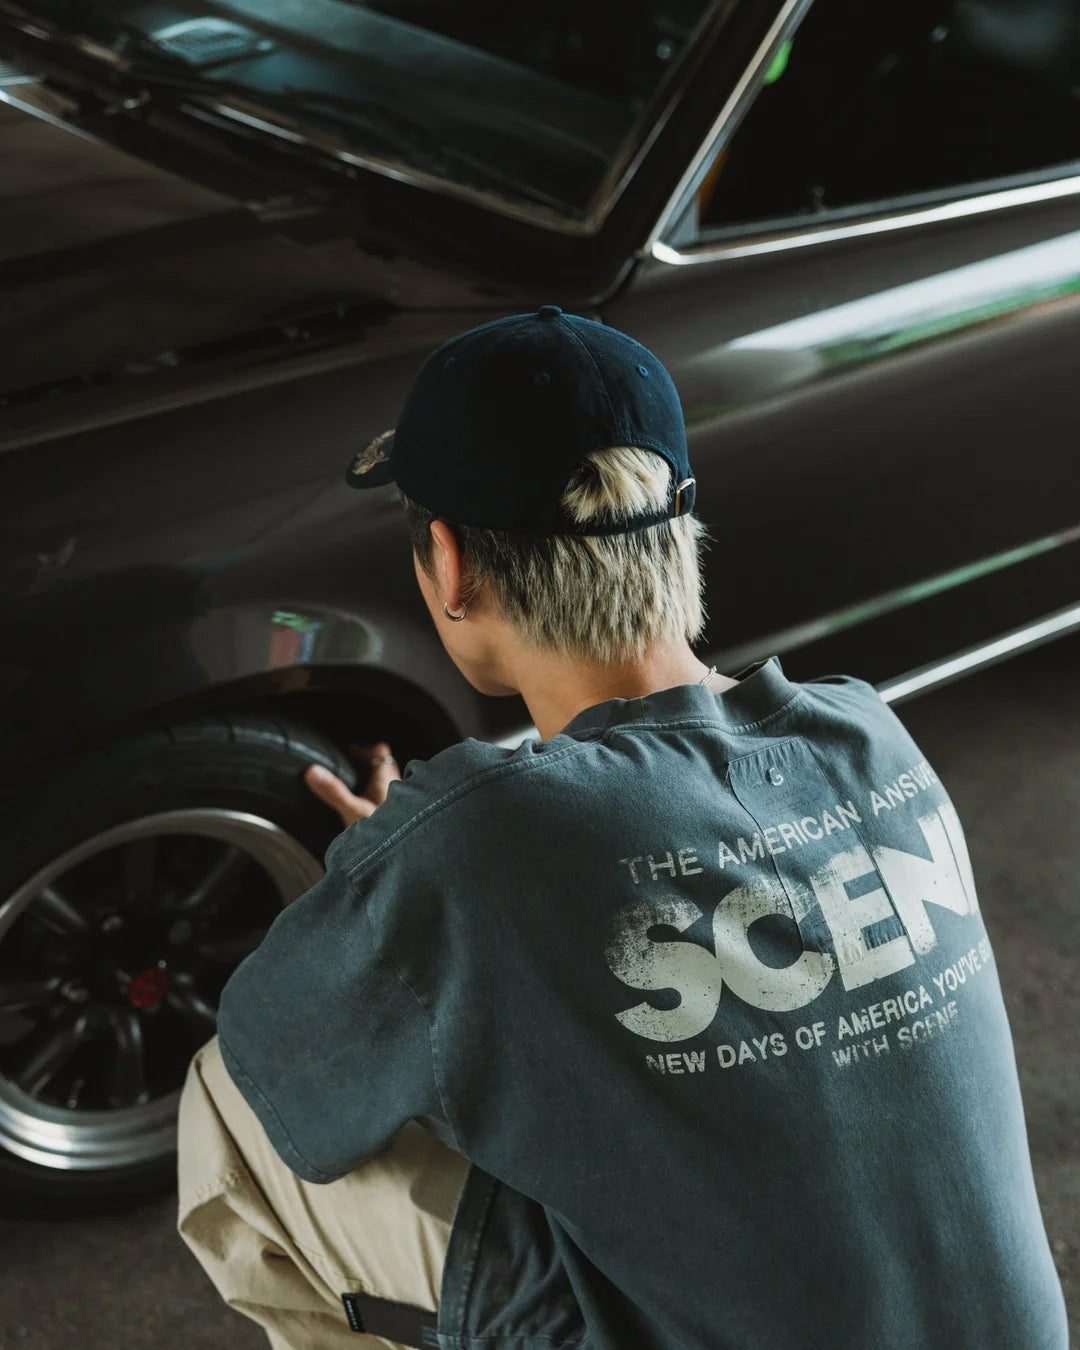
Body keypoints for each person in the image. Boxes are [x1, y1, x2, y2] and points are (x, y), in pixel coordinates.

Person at [176, 307, 1067, 1350]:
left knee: (222, 1106)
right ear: (680, 525)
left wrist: (390, 882)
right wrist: (435, 881)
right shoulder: (871, 735)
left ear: (452, 565)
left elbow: (276, 1059)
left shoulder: (473, 843)